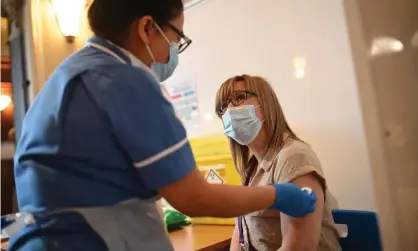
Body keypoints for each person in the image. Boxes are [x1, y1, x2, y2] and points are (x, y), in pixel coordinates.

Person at [7, 1, 316, 251]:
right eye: (176, 37)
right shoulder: (125, 79)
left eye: (242, 98)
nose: (173, 52)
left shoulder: (66, 77)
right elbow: (194, 198)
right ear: (146, 27)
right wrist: (277, 195)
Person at [215, 75, 342, 251]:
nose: (229, 109)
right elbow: (240, 231)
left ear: (266, 103)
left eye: (239, 98)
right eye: (223, 106)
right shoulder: (252, 169)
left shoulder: (293, 157)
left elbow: (299, 248)